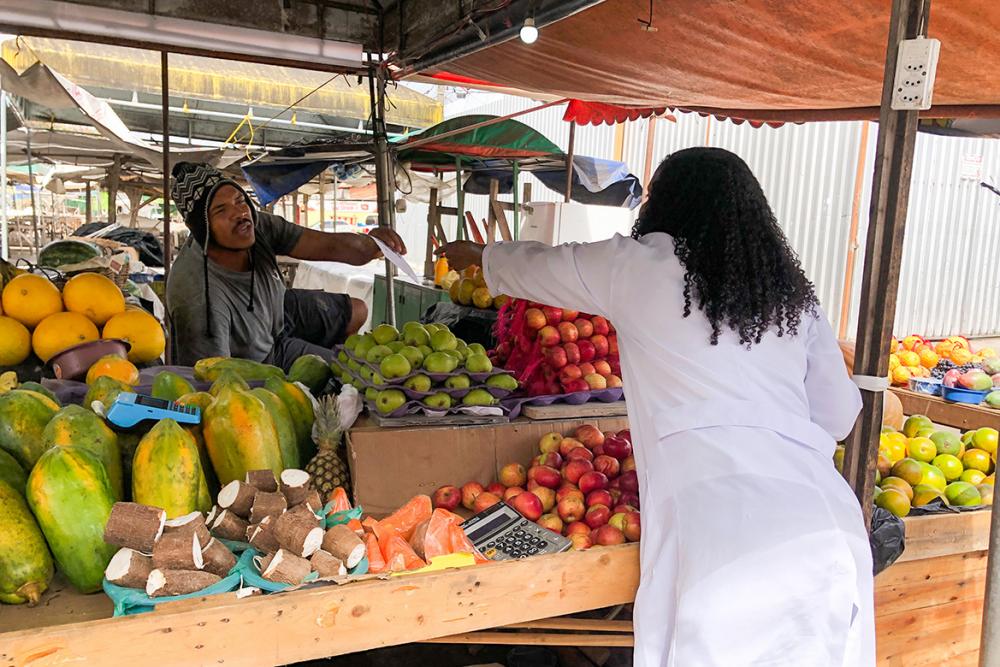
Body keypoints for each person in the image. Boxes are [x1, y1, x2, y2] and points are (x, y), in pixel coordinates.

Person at [438, 147, 873, 667]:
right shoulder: (790, 299)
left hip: (723, 542)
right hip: (827, 531)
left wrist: (476, 257)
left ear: (662, 207)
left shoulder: (635, 268)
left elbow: (533, 267)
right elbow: (839, 417)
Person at [167, 162, 406, 370]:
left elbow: (328, 246)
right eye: (221, 210)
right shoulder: (197, 297)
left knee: (356, 310)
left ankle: (322, 362)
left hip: (278, 310)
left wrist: (371, 244)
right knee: (345, 373)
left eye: (240, 200)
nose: (240, 213)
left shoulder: (256, 225)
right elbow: (210, 379)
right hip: (258, 362)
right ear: (201, 228)